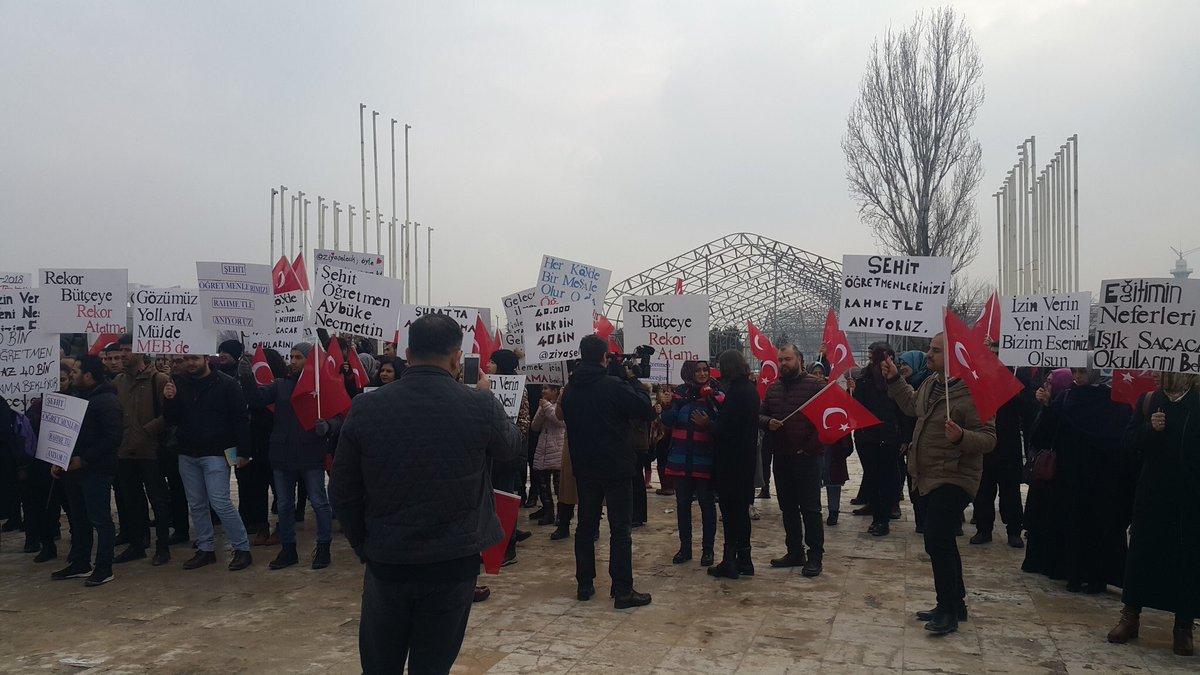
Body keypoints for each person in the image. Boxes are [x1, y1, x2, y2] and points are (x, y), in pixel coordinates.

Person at [330, 313, 521, 674]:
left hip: (388, 559)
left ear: (407, 351)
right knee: (433, 665)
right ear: (455, 357)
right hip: (452, 561)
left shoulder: (367, 406)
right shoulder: (478, 404)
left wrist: (364, 543)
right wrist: (488, 398)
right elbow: (512, 449)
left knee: (379, 663)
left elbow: (342, 489)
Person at [882, 333, 995, 636]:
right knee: (941, 540)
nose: (928, 355)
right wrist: (895, 380)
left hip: (955, 476)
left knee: (937, 539)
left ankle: (947, 611)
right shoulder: (932, 384)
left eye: (935, 351)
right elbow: (912, 407)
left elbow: (989, 438)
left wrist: (961, 437)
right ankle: (955, 602)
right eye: (930, 350)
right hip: (927, 474)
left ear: (953, 357)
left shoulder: (974, 391)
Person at [559, 334, 657, 608]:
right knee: (620, 529)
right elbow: (645, 409)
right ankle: (622, 590)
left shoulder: (571, 388)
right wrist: (632, 380)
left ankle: (585, 583)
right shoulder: (613, 385)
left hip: (585, 467)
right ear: (604, 357)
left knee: (585, 527)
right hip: (616, 467)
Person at [1109, 372, 1199, 657]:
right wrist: (1150, 429)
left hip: (1190, 498)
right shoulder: (1149, 401)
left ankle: (1183, 626)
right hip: (1152, 494)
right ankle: (1130, 616)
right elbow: (1129, 442)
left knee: (1186, 558)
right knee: (1142, 553)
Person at [1028, 365, 1132, 592]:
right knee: (1073, 524)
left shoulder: (1113, 400)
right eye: (1075, 372)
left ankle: (1097, 577)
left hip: (1102, 479)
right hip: (1071, 475)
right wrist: (1047, 407)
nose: (1077, 377)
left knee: (1098, 527)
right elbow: (1046, 434)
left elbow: (1120, 438)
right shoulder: (1067, 397)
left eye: (1083, 372)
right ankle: (1072, 573)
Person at [244, 343, 339, 571]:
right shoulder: (280, 385)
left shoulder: (322, 386)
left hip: (310, 452)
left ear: (310, 360)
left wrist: (328, 425)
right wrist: (247, 377)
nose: (293, 361)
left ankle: (323, 546)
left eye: (298, 357)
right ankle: (288, 548)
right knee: (285, 505)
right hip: (283, 453)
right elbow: (257, 399)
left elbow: (340, 415)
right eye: (291, 357)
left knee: (319, 502)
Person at [162, 354, 253, 571]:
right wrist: (170, 399)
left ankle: (242, 548)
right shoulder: (178, 383)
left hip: (216, 453)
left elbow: (240, 419)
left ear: (205, 358)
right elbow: (172, 420)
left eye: (194, 358)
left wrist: (244, 452)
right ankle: (205, 548)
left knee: (220, 501)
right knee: (196, 504)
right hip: (187, 452)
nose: (190, 363)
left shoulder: (227, 384)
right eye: (185, 359)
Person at [50, 355, 123, 587]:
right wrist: (58, 458)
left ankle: (104, 567)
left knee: (100, 519)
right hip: (73, 469)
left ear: (88, 376)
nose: (71, 376)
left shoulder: (106, 401)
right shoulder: (76, 397)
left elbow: (112, 438)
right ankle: (81, 562)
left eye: (75, 372)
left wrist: (85, 459)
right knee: (79, 518)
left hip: (96, 470)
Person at [759, 345, 825, 577]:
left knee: (810, 509)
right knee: (787, 507)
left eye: (787, 359)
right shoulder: (774, 388)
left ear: (800, 359)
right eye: (780, 360)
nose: (783, 363)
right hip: (781, 455)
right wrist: (768, 422)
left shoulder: (816, 386)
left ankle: (815, 556)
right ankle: (794, 551)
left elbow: (824, 424)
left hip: (806, 458)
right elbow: (761, 413)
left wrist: (808, 449)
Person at [111, 337, 173, 566]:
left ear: (140, 352)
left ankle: (163, 547)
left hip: (150, 451)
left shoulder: (159, 379)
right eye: (120, 352)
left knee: (157, 500)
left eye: (127, 351)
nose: (123, 355)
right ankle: (137, 544)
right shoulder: (118, 381)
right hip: (125, 450)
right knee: (131, 501)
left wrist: (148, 430)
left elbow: (170, 414)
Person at [661, 360, 721, 567]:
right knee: (682, 506)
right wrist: (667, 405)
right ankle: (685, 548)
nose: (703, 373)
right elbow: (668, 421)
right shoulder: (679, 394)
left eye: (706, 370)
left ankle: (708, 550)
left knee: (707, 506)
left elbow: (723, 421)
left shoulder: (715, 393)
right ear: (689, 373)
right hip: (680, 460)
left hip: (704, 460)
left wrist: (709, 423)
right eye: (698, 370)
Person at [708, 350, 760, 579]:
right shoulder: (749, 389)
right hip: (745, 460)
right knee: (741, 512)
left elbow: (725, 429)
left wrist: (707, 423)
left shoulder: (737, 391)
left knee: (730, 513)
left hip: (731, 463)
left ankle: (730, 561)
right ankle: (745, 559)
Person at [970, 344, 1027, 548]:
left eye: (996, 352)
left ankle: (1014, 531)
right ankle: (984, 529)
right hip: (985, 442)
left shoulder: (1016, 376)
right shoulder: (980, 379)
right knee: (984, 490)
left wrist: (1018, 390)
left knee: (1010, 491)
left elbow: (1027, 408)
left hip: (1008, 444)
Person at [853, 342, 905, 537]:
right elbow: (857, 406)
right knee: (873, 478)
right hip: (868, 437)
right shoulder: (864, 379)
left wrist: (904, 437)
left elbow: (904, 410)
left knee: (888, 478)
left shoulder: (897, 380)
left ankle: (885, 516)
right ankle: (877, 516)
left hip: (889, 437)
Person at [242, 347, 286, 547]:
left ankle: (282, 526)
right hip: (256, 443)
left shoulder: (282, 385)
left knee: (281, 490)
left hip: (279, 442)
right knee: (256, 487)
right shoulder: (246, 382)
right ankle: (261, 526)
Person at [529, 385, 564, 527]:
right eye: (542, 388)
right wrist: (542, 410)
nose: (543, 391)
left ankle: (562, 515)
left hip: (557, 447)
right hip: (543, 447)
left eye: (546, 388)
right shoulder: (544, 404)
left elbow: (560, 422)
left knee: (558, 485)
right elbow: (535, 426)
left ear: (555, 391)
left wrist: (548, 407)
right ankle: (548, 511)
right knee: (543, 483)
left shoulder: (561, 404)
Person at [651, 385, 675, 495]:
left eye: (669, 391)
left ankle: (669, 486)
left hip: (670, 439)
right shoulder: (657, 405)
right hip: (660, 439)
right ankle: (664, 485)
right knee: (661, 462)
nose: (666, 394)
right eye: (663, 391)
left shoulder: (674, 406)